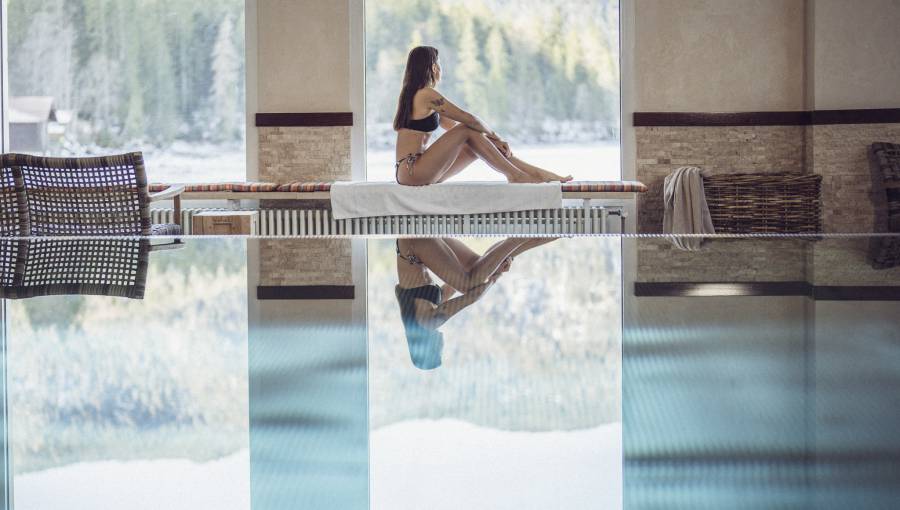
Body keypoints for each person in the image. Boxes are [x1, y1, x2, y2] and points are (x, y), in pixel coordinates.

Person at [393, 46, 573, 186]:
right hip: (413, 171)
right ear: (433, 67)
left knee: (476, 141)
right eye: (439, 64)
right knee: (468, 130)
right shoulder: (426, 94)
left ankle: (538, 175)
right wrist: (498, 136)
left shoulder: (415, 95)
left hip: (416, 172)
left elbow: (460, 129)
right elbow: (467, 119)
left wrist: (491, 141)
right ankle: (516, 175)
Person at [394, 237, 556, 369]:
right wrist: (493, 269)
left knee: (471, 282)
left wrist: (494, 278)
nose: (442, 348)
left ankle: (515, 239)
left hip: (414, 246)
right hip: (413, 247)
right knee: (481, 266)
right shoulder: (423, 315)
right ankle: (544, 235)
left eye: (438, 352)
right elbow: (452, 285)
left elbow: (471, 296)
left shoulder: (429, 322)